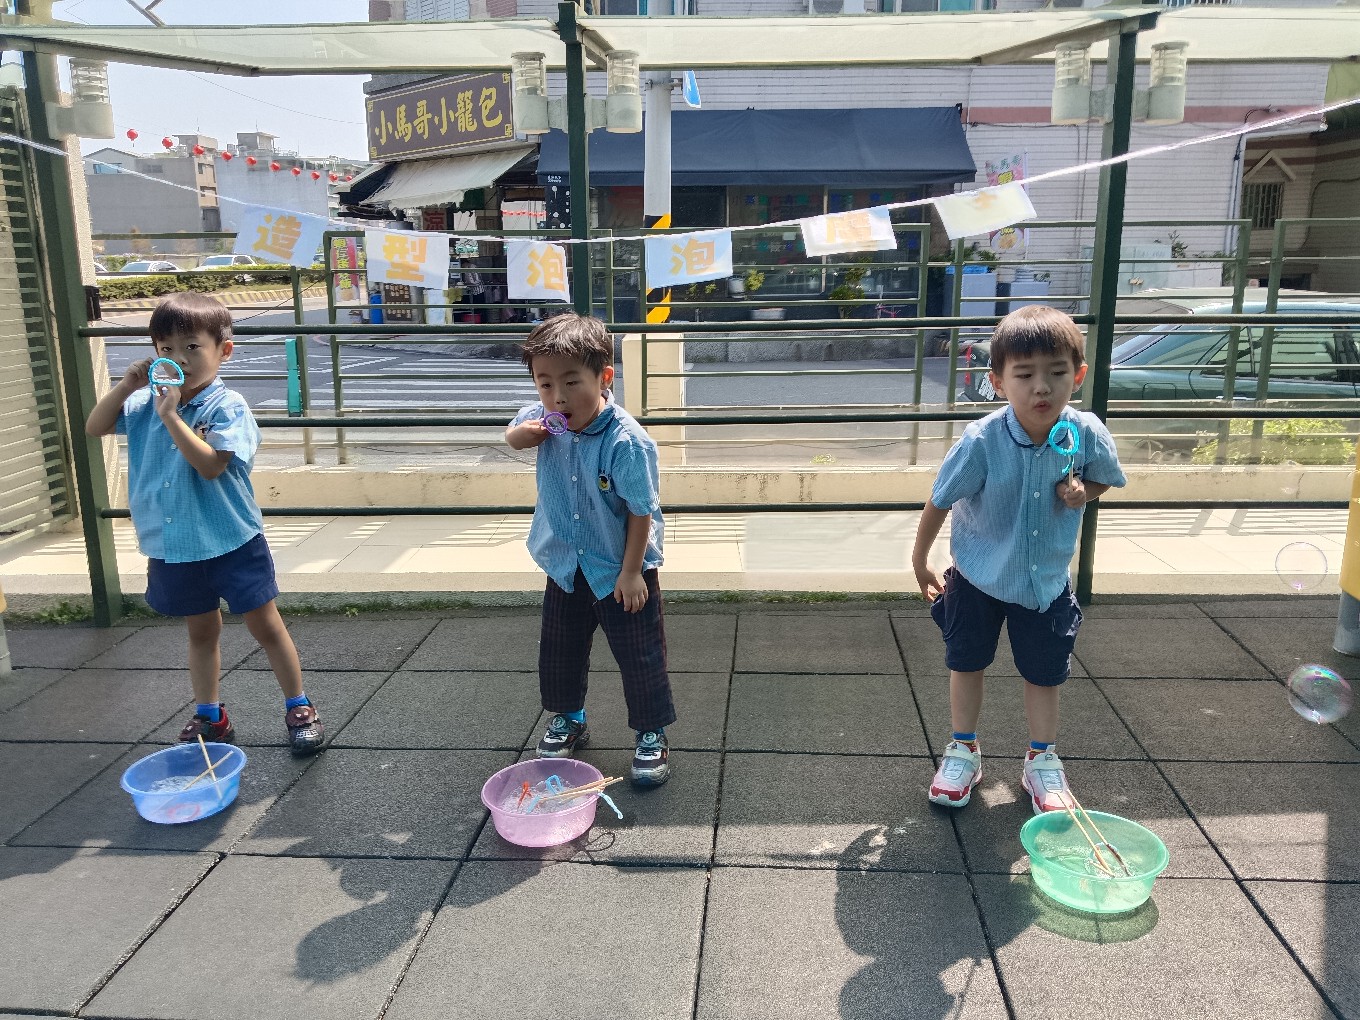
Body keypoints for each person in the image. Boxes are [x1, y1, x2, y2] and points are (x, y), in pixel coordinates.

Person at [85, 292, 323, 755]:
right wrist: (127, 385)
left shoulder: (225, 405)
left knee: (266, 625)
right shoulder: (144, 404)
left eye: (192, 347)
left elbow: (212, 465)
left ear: (223, 350)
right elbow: (96, 426)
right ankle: (211, 714)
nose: (180, 360)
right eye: (166, 349)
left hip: (231, 539)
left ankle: (299, 705)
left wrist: (171, 417)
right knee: (201, 631)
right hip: (174, 544)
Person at [912, 305, 1126, 813]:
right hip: (978, 577)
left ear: (1078, 375)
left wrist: (1083, 491)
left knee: (1044, 673)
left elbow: (1104, 478)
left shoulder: (1085, 432)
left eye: (1057, 373)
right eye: (1024, 375)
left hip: (1045, 581)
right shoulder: (982, 441)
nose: (1041, 388)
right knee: (966, 662)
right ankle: (963, 749)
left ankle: (1042, 759)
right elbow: (940, 499)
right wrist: (920, 560)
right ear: (998, 381)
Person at [505, 313, 675, 786]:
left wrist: (632, 572)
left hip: (621, 566)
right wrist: (526, 434)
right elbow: (512, 435)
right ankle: (569, 717)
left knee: (639, 654)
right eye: (545, 384)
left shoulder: (626, 441)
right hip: (564, 563)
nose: (558, 397)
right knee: (560, 647)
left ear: (604, 378)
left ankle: (651, 733)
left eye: (571, 382)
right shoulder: (546, 420)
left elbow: (641, 511)